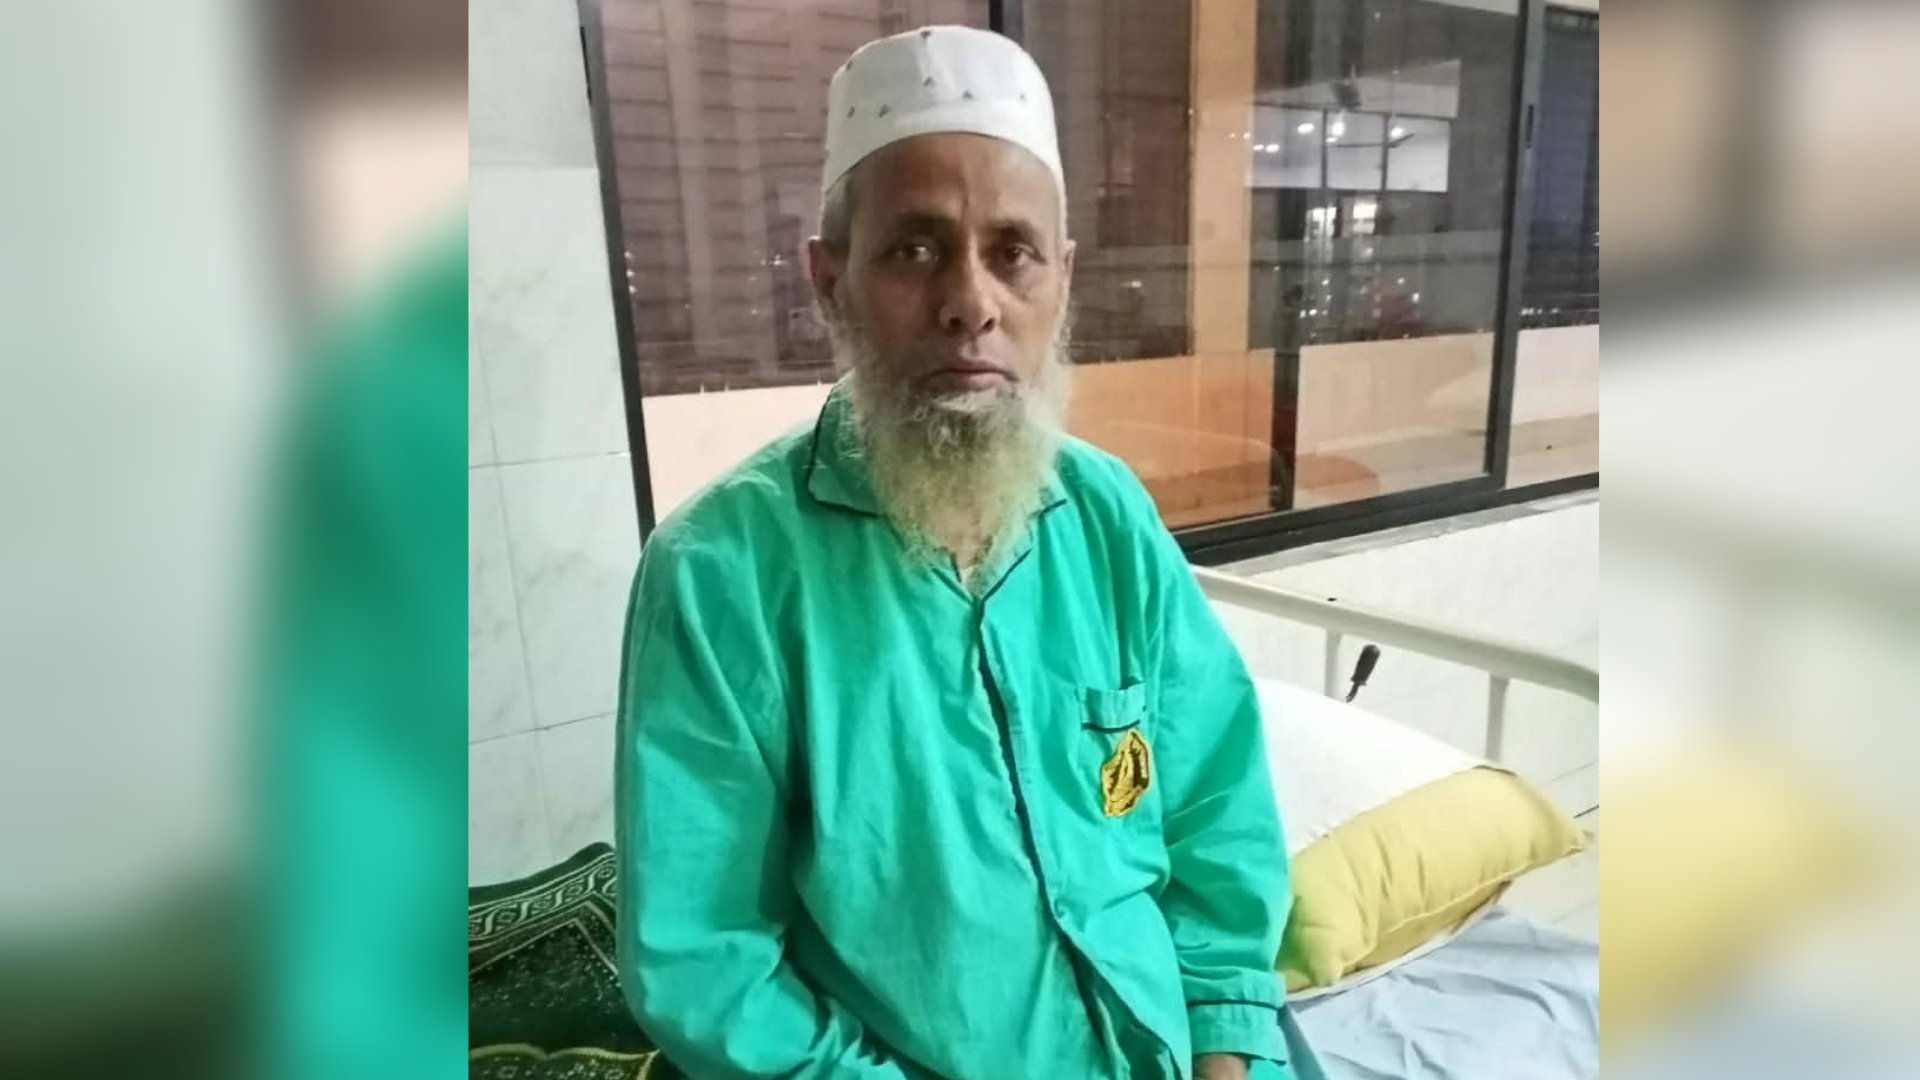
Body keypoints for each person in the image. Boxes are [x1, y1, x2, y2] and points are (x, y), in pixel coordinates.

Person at [616, 26, 1319, 1080]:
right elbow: (704, 962)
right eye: (915, 249)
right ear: (829, 279)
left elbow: (1216, 808)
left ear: (1061, 282)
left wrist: (1224, 1044)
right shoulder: (720, 574)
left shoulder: (1107, 516)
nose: (971, 302)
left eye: (1013, 251)